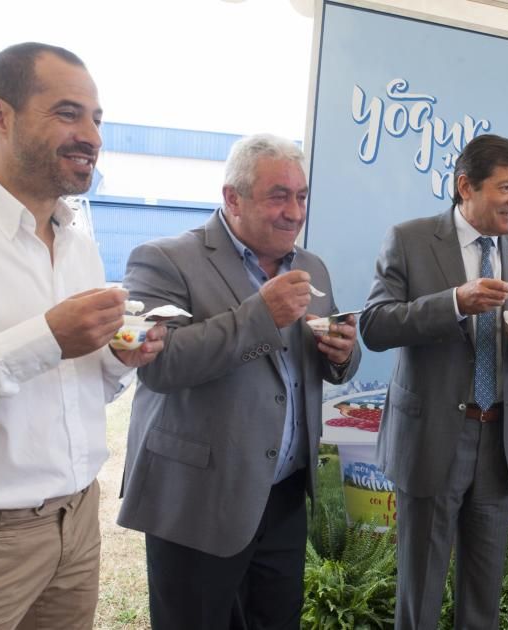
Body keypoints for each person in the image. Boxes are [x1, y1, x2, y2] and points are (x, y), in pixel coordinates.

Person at [0, 42, 165, 629]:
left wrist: (120, 360)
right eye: (68, 113)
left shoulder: (80, 248)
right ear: (0, 115)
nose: (91, 134)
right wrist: (44, 339)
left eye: (97, 118)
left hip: (79, 525)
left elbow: (77, 389)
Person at [117, 133, 361, 629]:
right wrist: (260, 316)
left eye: (301, 196)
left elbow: (318, 365)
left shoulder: (312, 267)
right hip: (198, 496)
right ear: (233, 198)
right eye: (278, 196)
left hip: (284, 495)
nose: (294, 212)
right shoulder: (164, 259)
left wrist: (342, 356)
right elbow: (162, 367)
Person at [361, 133, 508, 629]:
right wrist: (454, 303)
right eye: (505, 188)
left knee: (483, 598)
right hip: (431, 442)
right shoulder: (409, 238)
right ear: (465, 186)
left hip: (498, 444)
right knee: (419, 595)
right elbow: (376, 325)